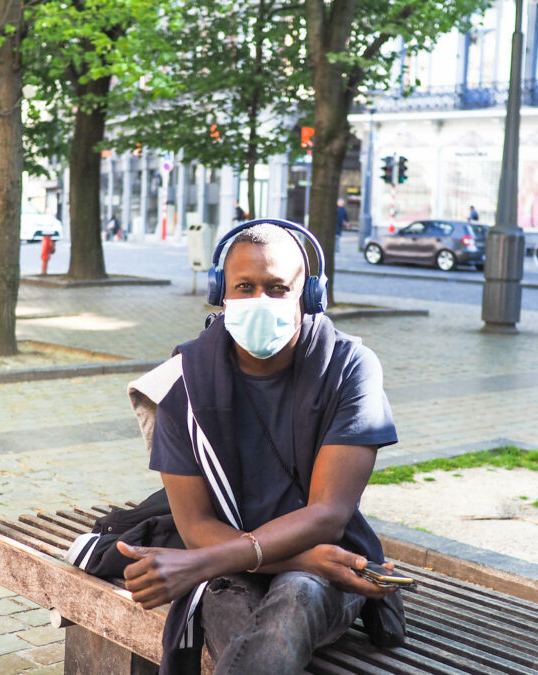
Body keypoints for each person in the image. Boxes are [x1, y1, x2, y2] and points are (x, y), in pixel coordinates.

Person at [123, 220, 401, 674]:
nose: (260, 301)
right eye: (245, 287)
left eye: (277, 288)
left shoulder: (350, 368)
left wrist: (200, 565)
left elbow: (328, 515)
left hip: (321, 569)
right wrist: (300, 558)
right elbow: (195, 525)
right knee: (236, 604)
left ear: (309, 296)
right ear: (222, 293)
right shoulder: (180, 382)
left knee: (298, 593)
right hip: (246, 563)